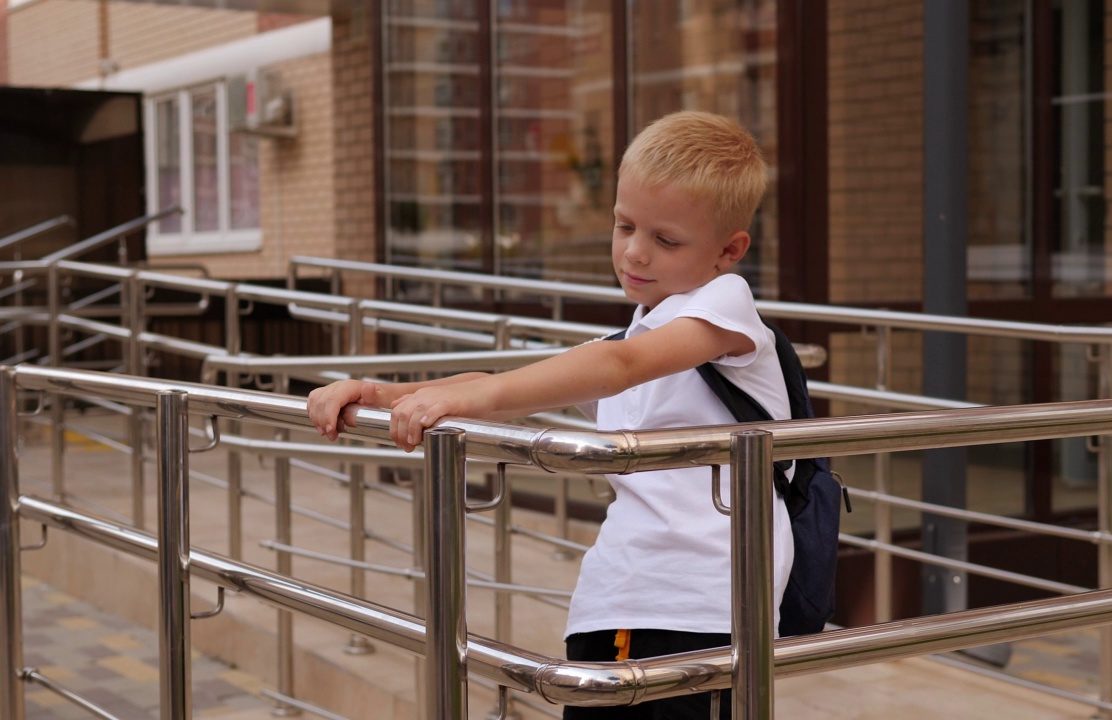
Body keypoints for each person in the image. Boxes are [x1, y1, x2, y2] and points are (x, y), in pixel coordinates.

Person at [306, 110, 793, 719]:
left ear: (729, 250)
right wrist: (379, 393)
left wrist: (468, 400)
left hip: (698, 608)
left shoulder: (724, 307)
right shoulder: (641, 331)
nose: (635, 252)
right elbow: (514, 383)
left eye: (666, 240)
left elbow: (623, 367)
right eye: (623, 226)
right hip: (620, 597)